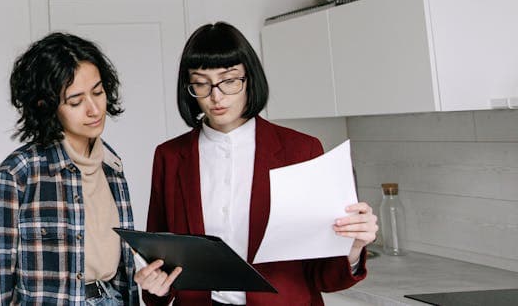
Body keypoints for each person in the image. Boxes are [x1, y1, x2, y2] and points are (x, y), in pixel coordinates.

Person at [135, 22, 377, 306]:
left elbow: (322, 275)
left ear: (250, 79)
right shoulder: (170, 157)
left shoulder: (301, 150)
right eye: (201, 82)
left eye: (229, 80)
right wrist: (155, 287)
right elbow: (162, 264)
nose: (216, 96)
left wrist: (354, 246)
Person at [0, 32, 140, 305]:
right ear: (46, 106)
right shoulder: (16, 176)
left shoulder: (112, 168)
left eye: (98, 92)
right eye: (75, 101)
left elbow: (124, 275)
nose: (94, 109)